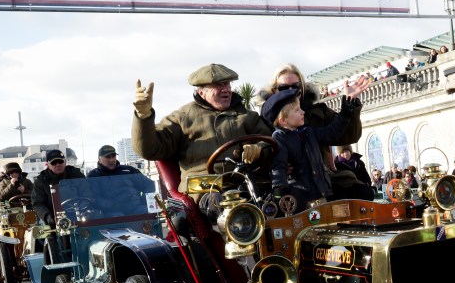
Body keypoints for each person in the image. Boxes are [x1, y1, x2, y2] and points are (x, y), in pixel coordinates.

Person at [132, 63, 274, 194]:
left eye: (227, 84)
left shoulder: (248, 116)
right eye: (218, 85)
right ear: (201, 92)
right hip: (205, 188)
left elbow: (270, 142)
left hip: (248, 184)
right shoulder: (182, 118)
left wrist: (259, 149)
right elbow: (150, 149)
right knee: (220, 204)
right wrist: (143, 116)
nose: (226, 89)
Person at [256, 64, 371, 200]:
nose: (291, 91)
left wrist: (349, 102)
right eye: (283, 88)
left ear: (302, 87)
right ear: (274, 90)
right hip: (294, 189)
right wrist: (277, 181)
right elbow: (264, 153)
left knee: (362, 192)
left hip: (323, 182)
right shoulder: (267, 121)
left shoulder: (317, 114)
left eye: (295, 86)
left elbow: (344, 134)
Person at [262, 88, 354, 212]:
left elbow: (332, 132)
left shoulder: (308, 132)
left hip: (320, 194)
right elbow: (279, 166)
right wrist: (280, 192)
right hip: (299, 199)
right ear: (283, 120)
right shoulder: (279, 138)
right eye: (297, 110)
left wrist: (346, 110)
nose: (303, 112)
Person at [33, 149, 86, 226]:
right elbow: (38, 203)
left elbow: (86, 193)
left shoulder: (76, 175)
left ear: (65, 162)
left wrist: (84, 209)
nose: (57, 165)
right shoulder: (41, 181)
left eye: (60, 161)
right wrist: (47, 216)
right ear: (48, 165)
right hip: (55, 220)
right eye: (53, 162)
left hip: (79, 215)